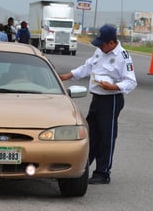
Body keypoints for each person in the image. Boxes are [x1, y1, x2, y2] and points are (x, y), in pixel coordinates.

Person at [59, 24, 137, 185]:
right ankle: (82, 168)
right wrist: (68, 76)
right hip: (97, 98)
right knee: (91, 134)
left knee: (106, 137)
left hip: (111, 100)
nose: (100, 47)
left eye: (102, 44)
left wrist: (114, 87)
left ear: (111, 42)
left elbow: (131, 82)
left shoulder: (123, 56)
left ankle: (103, 172)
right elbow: (87, 67)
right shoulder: (100, 51)